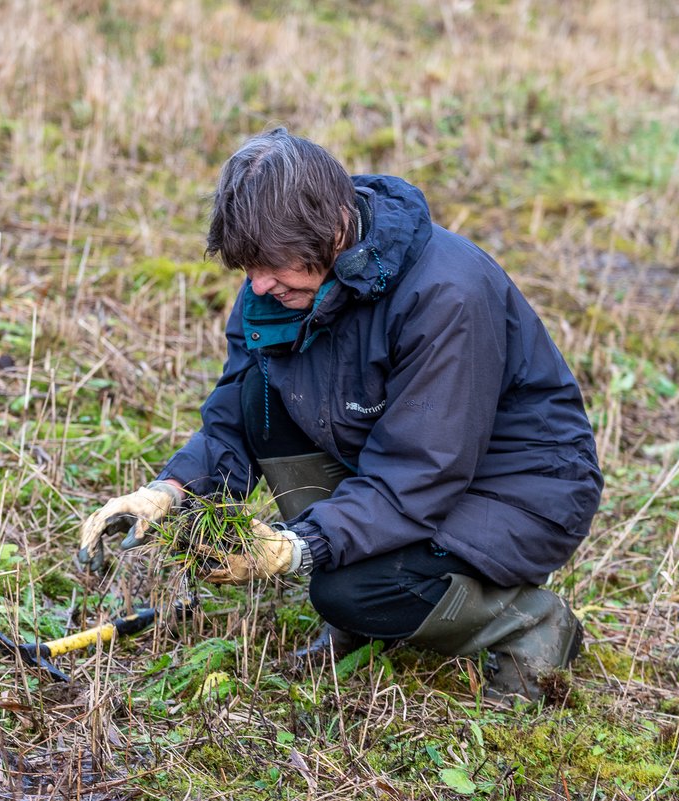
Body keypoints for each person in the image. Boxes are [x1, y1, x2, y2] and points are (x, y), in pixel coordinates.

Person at [78, 128, 603, 701]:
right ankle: (364, 600)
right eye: (247, 267)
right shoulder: (277, 281)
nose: (257, 285)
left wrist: (300, 548)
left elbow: (421, 471)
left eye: (271, 266)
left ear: (333, 232)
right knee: (264, 393)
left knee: (353, 588)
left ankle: (529, 622)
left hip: (519, 489)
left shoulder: (447, 295)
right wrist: (171, 490)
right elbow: (236, 410)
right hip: (407, 465)